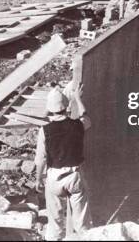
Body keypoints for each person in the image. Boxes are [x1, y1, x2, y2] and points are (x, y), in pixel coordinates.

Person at [35, 84, 92, 240]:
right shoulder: (77, 125)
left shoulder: (44, 130)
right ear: (65, 106)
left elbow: (41, 159)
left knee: (55, 223)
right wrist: (78, 98)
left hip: (54, 177)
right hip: (74, 176)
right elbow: (87, 119)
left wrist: (38, 179)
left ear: (50, 109)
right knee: (82, 223)